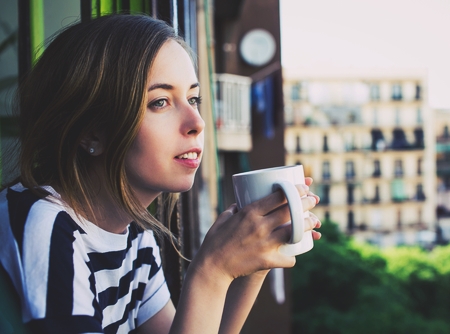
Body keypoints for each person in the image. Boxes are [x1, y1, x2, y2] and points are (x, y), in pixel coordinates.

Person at [0, 14, 321, 333]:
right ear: (92, 132)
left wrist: (255, 261)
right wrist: (211, 271)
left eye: (193, 98)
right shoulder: (46, 224)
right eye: (161, 102)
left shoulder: (135, 236)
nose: (197, 122)